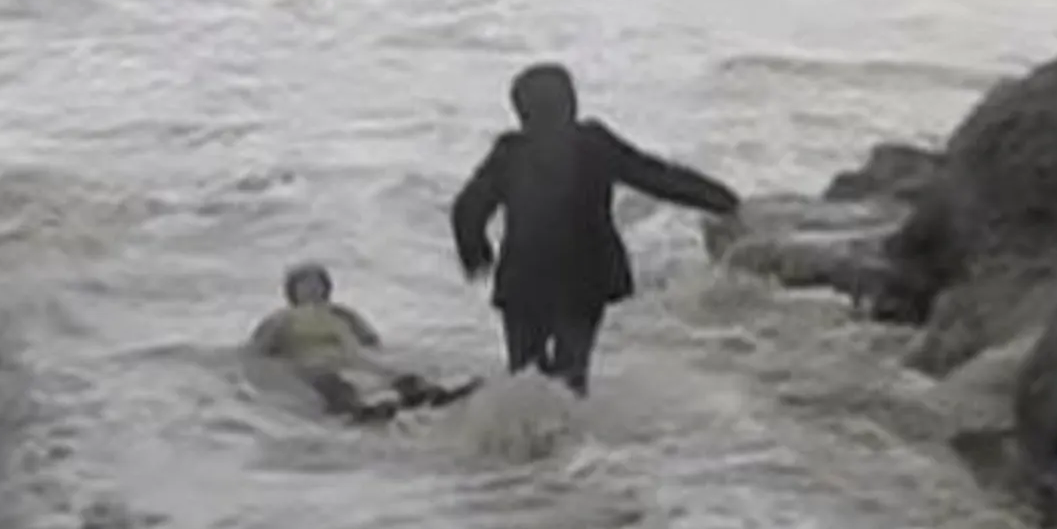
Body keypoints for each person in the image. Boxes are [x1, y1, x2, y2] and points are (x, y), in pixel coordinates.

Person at [449, 62, 743, 396]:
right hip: (584, 278)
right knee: (573, 375)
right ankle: (565, 433)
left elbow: (467, 208)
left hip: (524, 280)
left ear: (521, 113)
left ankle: (525, 436)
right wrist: (720, 199)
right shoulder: (592, 144)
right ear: (571, 105)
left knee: (524, 373)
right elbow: (654, 176)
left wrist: (475, 251)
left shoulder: (510, 153)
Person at [247, 261, 478, 423]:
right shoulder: (281, 318)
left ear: (326, 288)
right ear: (293, 291)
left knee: (390, 373)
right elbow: (258, 350)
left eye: (317, 283)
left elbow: (372, 340)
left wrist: (375, 352)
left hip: (351, 356)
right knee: (332, 383)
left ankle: (426, 392)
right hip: (311, 359)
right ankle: (357, 409)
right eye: (305, 284)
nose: (312, 289)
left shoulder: (341, 313)